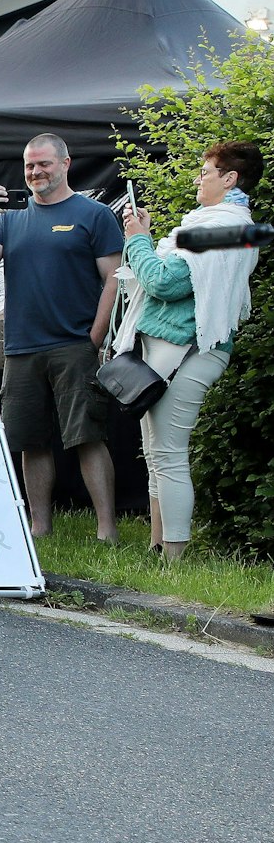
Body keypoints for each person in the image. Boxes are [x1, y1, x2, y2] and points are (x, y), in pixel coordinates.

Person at [0, 133, 122, 541]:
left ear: (66, 163)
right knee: (29, 440)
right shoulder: (9, 219)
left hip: (75, 345)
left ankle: (107, 529)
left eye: (44, 164)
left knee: (87, 437)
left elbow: (115, 279)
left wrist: (95, 336)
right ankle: (40, 528)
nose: (35, 172)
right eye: (29, 166)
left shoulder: (94, 215)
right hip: (21, 348)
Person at [115, 141, 263, 560]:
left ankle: (175, 562)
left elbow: (165, 282)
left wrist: (138, 240)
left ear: (229, 178)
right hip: (170, 350)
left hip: (187, 352)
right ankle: (159, 550)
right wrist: (143, 239)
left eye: (206, 172)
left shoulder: (222, 227)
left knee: (168, 454)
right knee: (156, 455)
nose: (198, 180)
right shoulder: (213, 223)